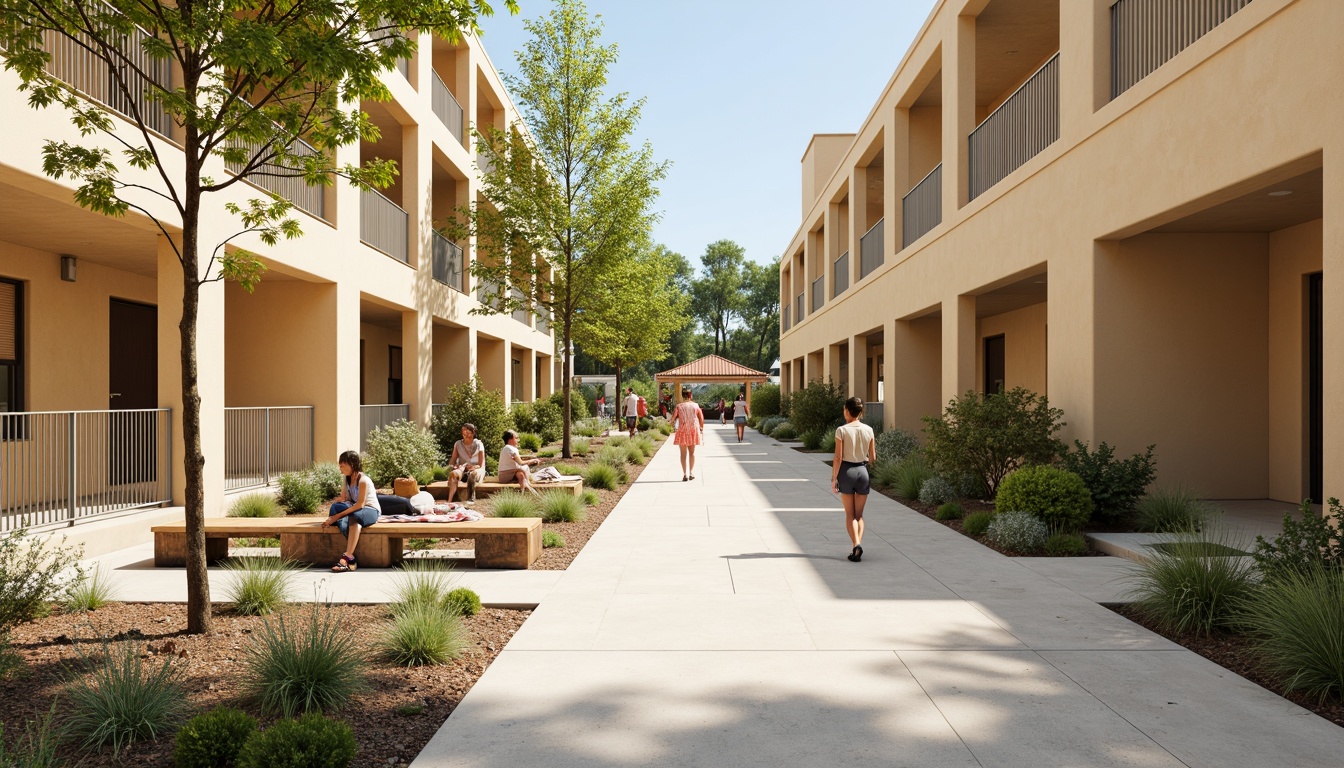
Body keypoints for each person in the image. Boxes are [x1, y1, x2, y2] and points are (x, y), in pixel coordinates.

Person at [831, 397, 876, 563]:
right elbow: (873, 457)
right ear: (860, 412)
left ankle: (856, 544)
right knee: (859, 515)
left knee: (849, 514)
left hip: (846, 472)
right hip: (862, 471)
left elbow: (838, 457)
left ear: (847, 410)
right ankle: (858, 545)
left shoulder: (841, 430)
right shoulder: (869, 430)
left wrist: (834, 478)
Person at [325, 450, 381, 572]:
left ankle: (348, 556)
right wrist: (336, 502)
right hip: (355, 508)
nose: (340, 468)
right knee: (335, 508)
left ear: (352, 464)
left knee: (353, 517)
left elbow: (360, 505)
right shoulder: (346, 479)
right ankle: (351, 555)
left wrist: (335, 517)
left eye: (342, 465)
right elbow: (345, 498)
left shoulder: (363, 480)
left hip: (369, 510)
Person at [446, 423, 486, 503]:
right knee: (453, 474)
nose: (465, 434)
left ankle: (470, 498)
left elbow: (480, 464)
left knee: (472, 474)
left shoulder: (478, 444)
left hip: (477, 469)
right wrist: (452, 466)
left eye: (467, 432)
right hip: (463, 468)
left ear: (473, 433)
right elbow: (453, 459)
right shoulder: (458, 444)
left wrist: (473, 467)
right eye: (463, 432)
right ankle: (450, 500)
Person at [672, 388, 704, 481]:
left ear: (683, 395)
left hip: (682, 430)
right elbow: (701, 418)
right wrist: (701, 429)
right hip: (693, 430)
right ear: (690, 395)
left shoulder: (679, 406)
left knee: (683, 454)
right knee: (692, 453)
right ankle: (691, 473)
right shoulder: (696, 405)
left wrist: (668, 421)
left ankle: (684, 474)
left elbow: (673, 418)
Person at [499, 429, 541, 495]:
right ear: (511, 439)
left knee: (520, 474)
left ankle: (523, 492)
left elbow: (517, 458)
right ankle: (529, 485)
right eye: (516, 438)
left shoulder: (507, 448)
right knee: (525, 467)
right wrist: (532, 461)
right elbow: (520, 462)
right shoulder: (510, 449)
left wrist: (530, 457)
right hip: (506, 475)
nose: (518, 440)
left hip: (504, 476)